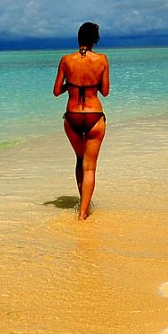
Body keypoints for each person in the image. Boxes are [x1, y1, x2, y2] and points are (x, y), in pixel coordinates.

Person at [53, 21, 110, 221]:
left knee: (79, 160)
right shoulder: (102, 60)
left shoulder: (66, 60)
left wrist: (72, 85)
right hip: (94, 115)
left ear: (78, 38)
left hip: (72, 116)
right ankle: (83, 212)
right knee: (90, 167)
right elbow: (105, 91)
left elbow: (56, 91)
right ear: (95, 40)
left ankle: (82, 202)